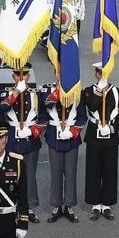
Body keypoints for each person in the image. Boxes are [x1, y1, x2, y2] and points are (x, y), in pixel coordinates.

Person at [81, 63, 119, 220]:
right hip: (94, 133)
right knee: (93, 169)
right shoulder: (88, 91)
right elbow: (92, 105)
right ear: (96, 74)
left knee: (109, 169)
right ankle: (95, 204)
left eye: (105, 73)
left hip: (110, 135)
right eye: (99, 73)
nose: (102, 76)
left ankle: (106, 204)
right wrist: (99, 91)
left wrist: (113, 129)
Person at [0, 64, 44, 224]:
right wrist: (17, 91)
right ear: (13, 77)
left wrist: (33, 131)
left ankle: (29, 208)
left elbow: (44, 116)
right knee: (11, 175)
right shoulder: (6, 93)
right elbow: (1, 108)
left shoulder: (35, 94)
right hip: (12, 141)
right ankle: (12, 206)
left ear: (29, 76)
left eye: (24, 74)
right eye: (18, 74)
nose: (21, 77)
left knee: (29, 175)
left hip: (29, 140)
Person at [41, 75, 85, 223]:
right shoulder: (47, 89)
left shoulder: (76, 90)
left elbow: (82, 116)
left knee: (71, 172)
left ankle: (69, 206)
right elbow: (46, 105)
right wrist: (58, 90)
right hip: (54, 136)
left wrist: (72, 131)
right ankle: (56, 206)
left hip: (71, 136)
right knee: (56, 172)